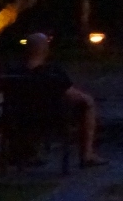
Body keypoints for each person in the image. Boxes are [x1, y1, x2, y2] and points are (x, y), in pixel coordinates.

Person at [24, 33, 106, 167]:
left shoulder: (13, 71)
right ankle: (87, 154)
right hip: (51, 117)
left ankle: (26, 152)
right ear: (45, 49)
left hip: (18, 117)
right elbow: (71, 94)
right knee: (87, 104)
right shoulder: (51, 72)